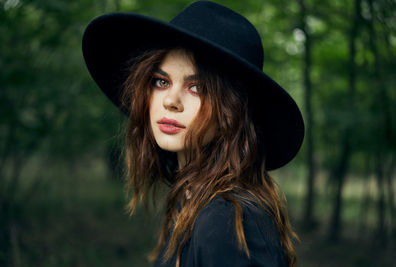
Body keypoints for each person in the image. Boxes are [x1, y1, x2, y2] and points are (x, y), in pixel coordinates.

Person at [82, 1, 304, 267]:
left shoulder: (227, 218)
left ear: (230, 111)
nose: (171, 101)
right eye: (161, 82)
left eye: (197, 87)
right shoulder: (190, 199)